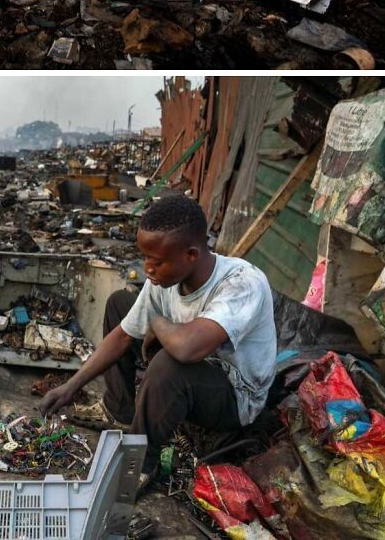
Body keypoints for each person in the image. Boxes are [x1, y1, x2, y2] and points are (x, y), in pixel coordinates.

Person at [40, 192, 277, 482]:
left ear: (191, 254)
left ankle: (139, 465)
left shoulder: (243, 283)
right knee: (120, 304)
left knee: (168, 364)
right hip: (194, 365)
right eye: (144, 258)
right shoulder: (166, 278)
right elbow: (124, 335)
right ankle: (119, 409)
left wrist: (156, 322)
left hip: (236, 395)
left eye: (156, 261)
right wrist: (71, 386)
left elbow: (187, 350)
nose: (147, 269)